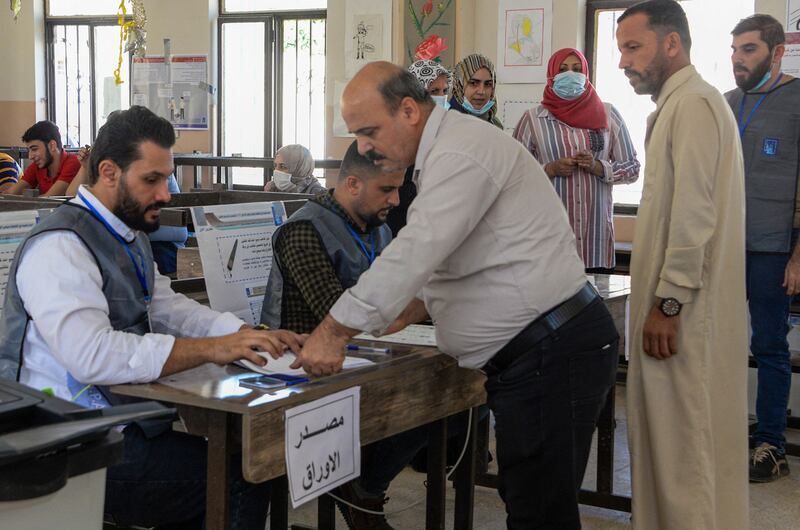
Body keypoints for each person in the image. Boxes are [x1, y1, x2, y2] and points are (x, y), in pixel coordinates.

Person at [292, 61, 619, 529]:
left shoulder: (460, 152)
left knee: (540, 512)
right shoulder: (445, 152)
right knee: (531, 502)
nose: (363, 147)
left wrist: (334, 330)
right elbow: (464, 251)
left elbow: (418, 247)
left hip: (550, 351)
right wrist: (416, 303)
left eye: (368, 131)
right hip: (541, 352)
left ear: (408, 110)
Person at [0, 106, 305, 529]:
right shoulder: (61, 246)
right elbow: (92, 355)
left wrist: (245, 334)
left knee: (242, 457)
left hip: (113, 422)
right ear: (108, 172)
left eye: (166, 177)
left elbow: (168, 308)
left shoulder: (125, 235)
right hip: (63, 441)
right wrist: (215, 349)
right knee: (238, 477)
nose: (165, 193)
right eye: (152, 180)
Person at [616, 1, 748, 528]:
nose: (624, 62)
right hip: (682, 310)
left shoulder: (693, 104)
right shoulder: (680, 103)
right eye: (620, 50)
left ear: (672, 43)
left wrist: (668, 303)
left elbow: (695, 215)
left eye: (633, 46)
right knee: (677, 445)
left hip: (682, 316)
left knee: (682, 450)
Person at [262, 140, 402, 529]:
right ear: (353, 184)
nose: (395, 199)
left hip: (364, 355)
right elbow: (338, 312)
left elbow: (397, 293)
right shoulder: (303, 230)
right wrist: (416, 307)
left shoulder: (378, 227)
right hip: (303, 369)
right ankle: (359, 493)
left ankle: (364, 489)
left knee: (453, 399)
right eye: (386, 190)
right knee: (411, 398)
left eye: (397, 189)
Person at [727, 14, 800, 483]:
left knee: (770, 347)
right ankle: (726, 430)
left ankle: (771, 444)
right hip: (726, 248)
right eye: (734, 50)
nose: (738, 59)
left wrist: (799, 256)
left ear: (776, 52)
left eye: (749, 50)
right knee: (721, 345)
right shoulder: (726, 102)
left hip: (774, 250)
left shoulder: (797, 99)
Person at [513, 48, 640, 273]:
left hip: (595, 242)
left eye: (576, 69)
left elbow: (632, 168)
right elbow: (513, 176)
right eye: (562, 70)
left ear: (586, 73)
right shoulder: (533, 120)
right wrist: (549, 169)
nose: (570, 75)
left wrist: (598, 167)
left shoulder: (609, 115)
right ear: (551, 75)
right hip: (549, 243)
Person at [386, 60, 453, 236]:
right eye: (433, 91)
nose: (441, 97)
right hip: (400, 232)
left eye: (445, 91)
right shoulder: (397, 138)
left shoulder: (445, 132)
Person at [5, 121, 80, 196]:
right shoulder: (38, 165)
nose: (30, 156)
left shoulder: (73, 162)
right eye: (29, 150)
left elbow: (50, 199)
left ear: (52, 146)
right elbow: (11, 194)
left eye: (34, 149)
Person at [449, 54, 503, 128]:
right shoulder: (446, 125)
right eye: (473, 83)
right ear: (459, 86)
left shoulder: (496, 125)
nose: (481, 91)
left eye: (488, 84)